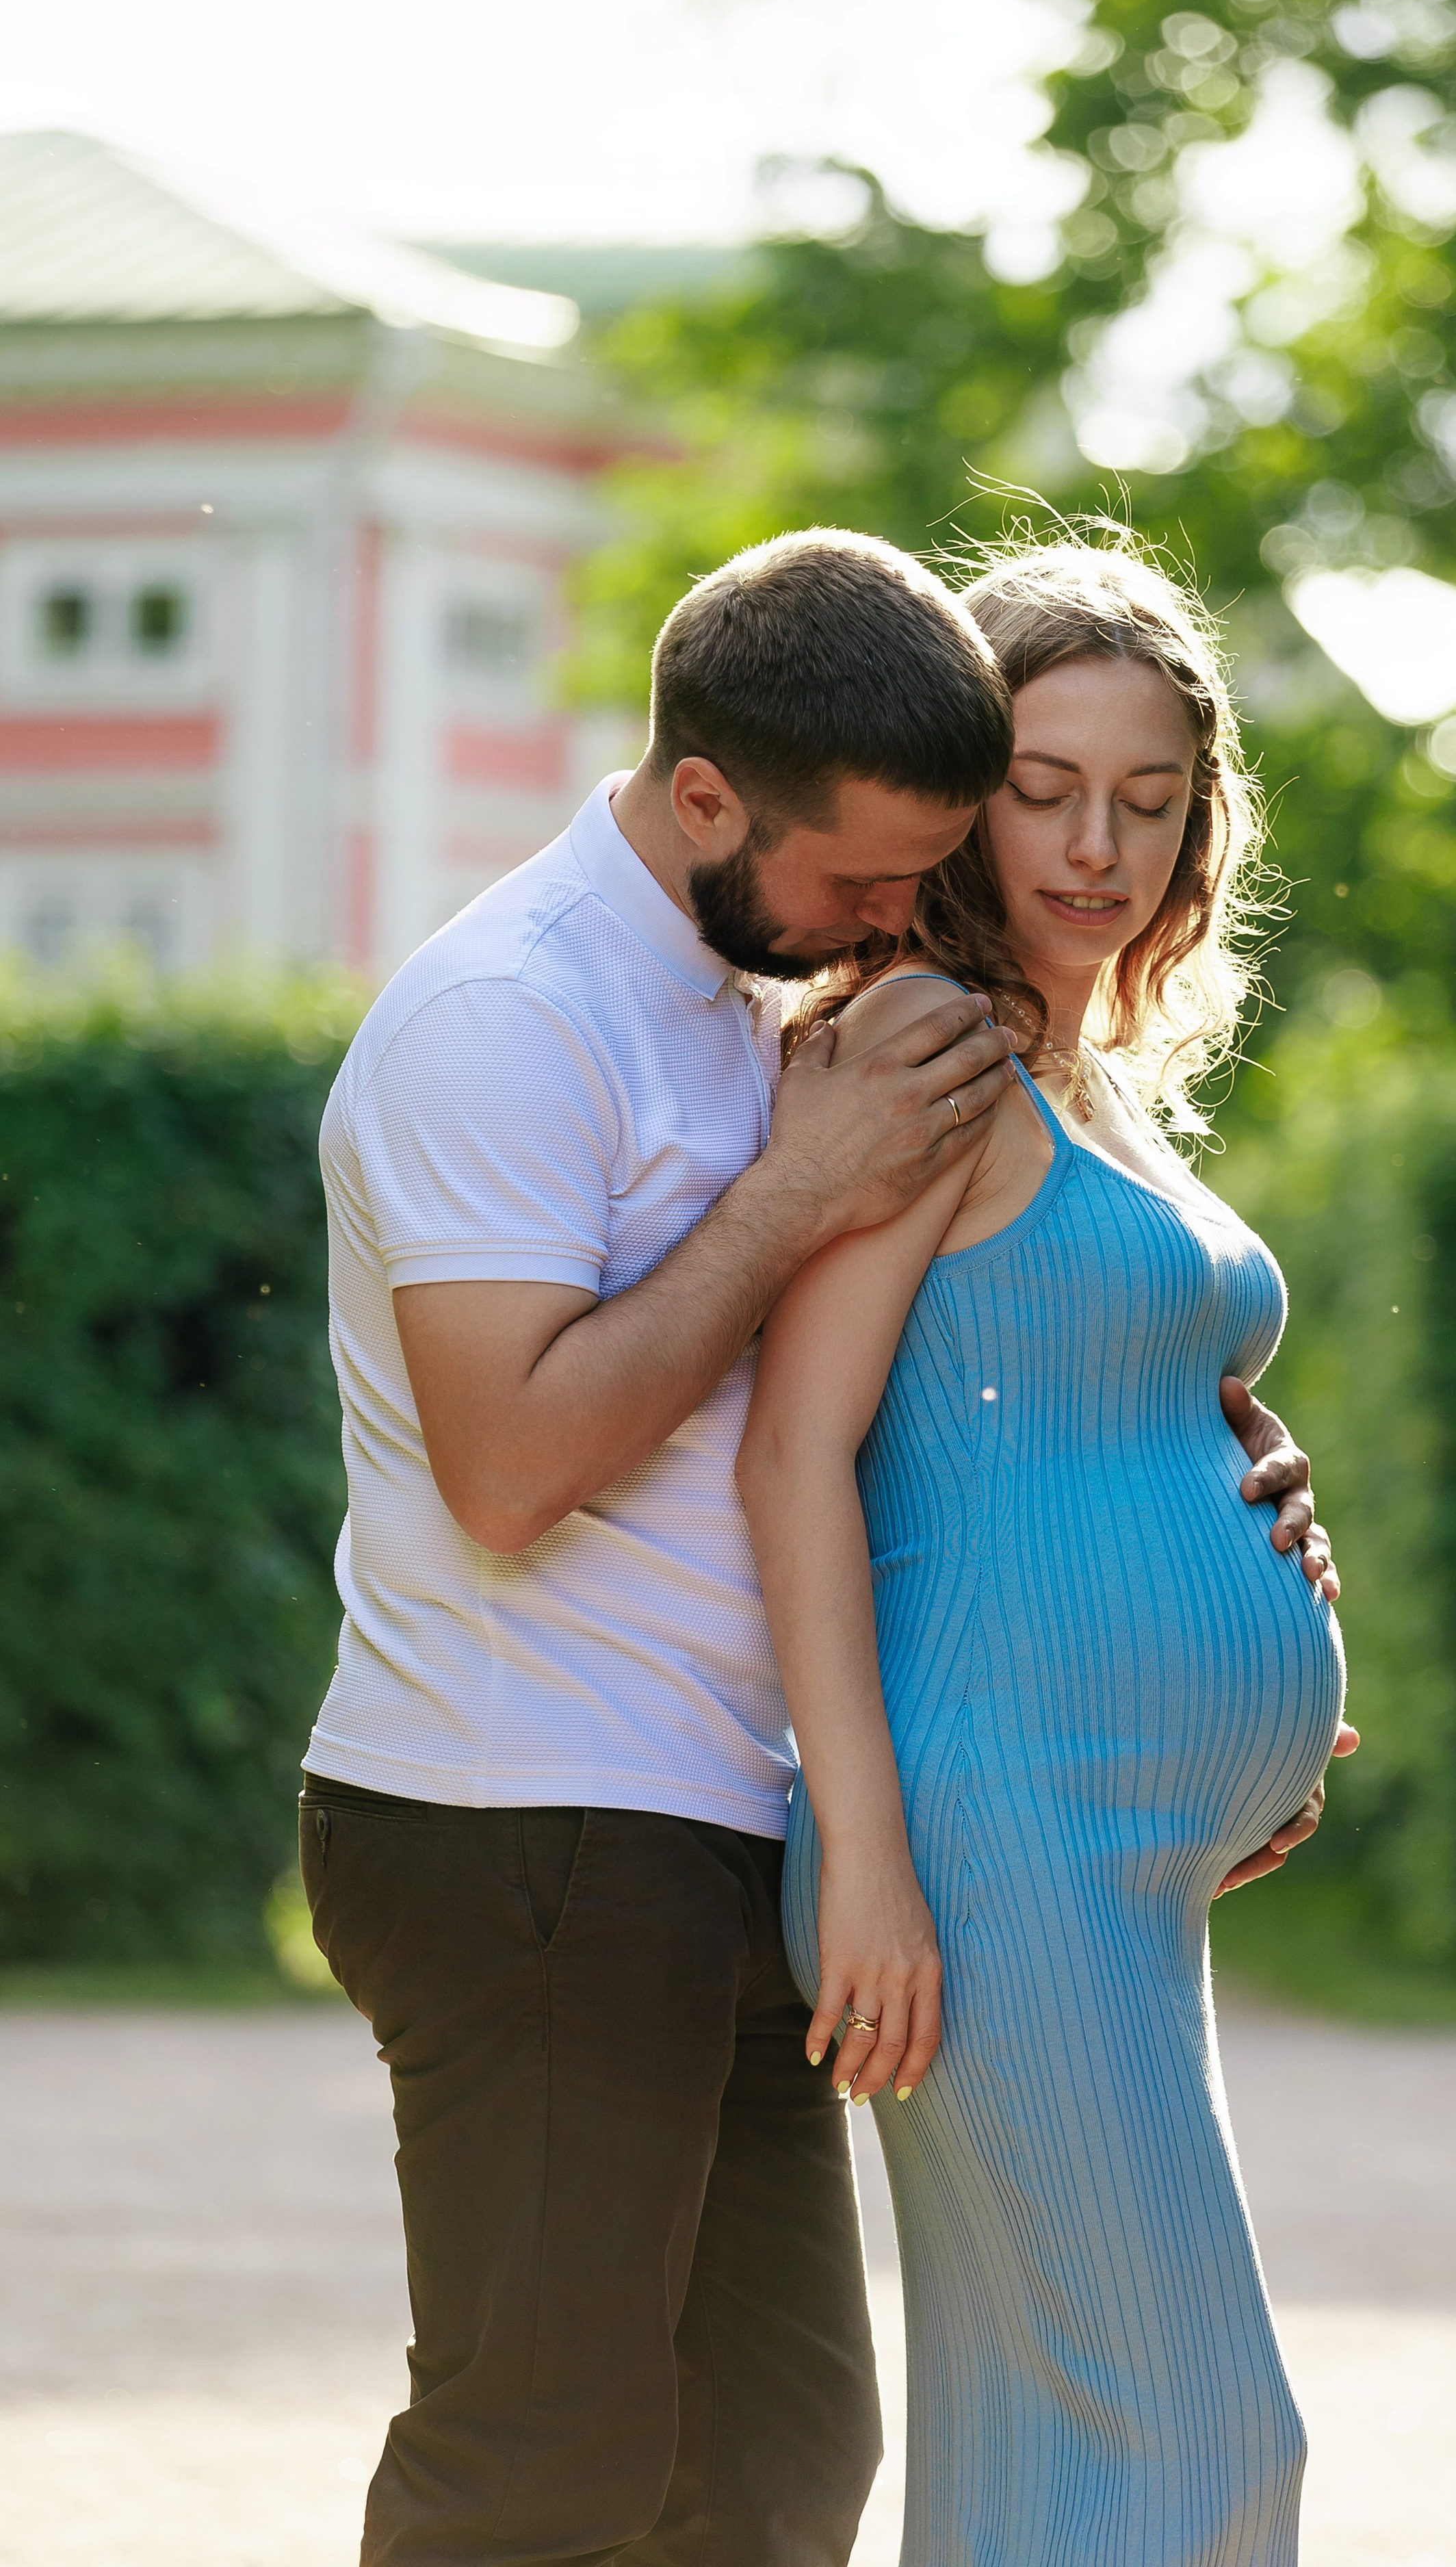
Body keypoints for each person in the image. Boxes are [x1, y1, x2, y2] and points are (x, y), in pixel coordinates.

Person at [299, 528, 1342, 2567]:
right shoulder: (512, 1019)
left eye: (1142, 802)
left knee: (775, 2474)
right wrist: (801, 1194)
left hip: (721, 1799)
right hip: (536, 1806)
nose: (895, 912)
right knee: (545, 2465)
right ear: (712, 800)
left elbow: (960, 1381)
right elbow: (526, 1471)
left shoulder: (737, 988)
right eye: (882, 871)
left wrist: (1196, 1484)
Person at [738, 537, 1352, 2567]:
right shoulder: (929, 1045)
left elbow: (1078, 1390)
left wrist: (1249, 1540)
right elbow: (796, 1455)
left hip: (1103, 1837)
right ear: (956, 798)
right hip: (989, 1840)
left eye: (1150, 801)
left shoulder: (1081, 1071)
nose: (1100, 847)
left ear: (1199, 825)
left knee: (1035, 2447)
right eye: (1045, 788)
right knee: (1204, 2441)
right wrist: (872, 1860)